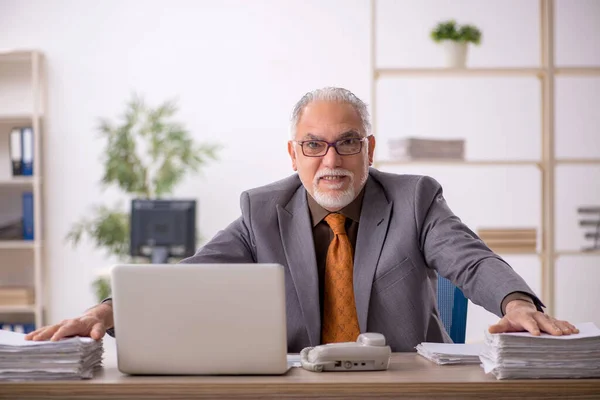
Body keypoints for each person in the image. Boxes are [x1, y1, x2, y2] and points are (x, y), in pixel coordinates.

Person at [26, 87, 578, 352]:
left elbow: (472, 260)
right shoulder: (260, 210)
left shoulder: (415, 199)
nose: (331, 161)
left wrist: (518, 304)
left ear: (369, 149)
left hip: (403, 388)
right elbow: (188, 276)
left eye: (346, 144)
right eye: (313, 146)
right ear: (293, 155)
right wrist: (105, 311)